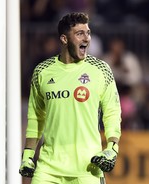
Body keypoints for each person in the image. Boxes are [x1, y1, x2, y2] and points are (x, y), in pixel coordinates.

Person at [19, 12, 122, 184]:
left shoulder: (100, 70)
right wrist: (28, 155)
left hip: (87, 169)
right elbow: (36, 117)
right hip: (48, 169)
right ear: (64, 39)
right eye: (79, 33)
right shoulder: (42, 72)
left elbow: (112, 112)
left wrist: (112, 147)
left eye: (88, 33)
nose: (87, 38)